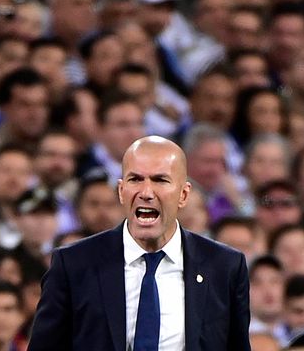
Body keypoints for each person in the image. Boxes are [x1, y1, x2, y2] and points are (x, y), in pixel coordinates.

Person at [29, 135, 250, 350]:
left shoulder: (224, 266)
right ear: (121, 191)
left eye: (160, 180)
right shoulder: (73, 264)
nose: (146, 192)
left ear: (183, 194)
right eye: (135, 179)